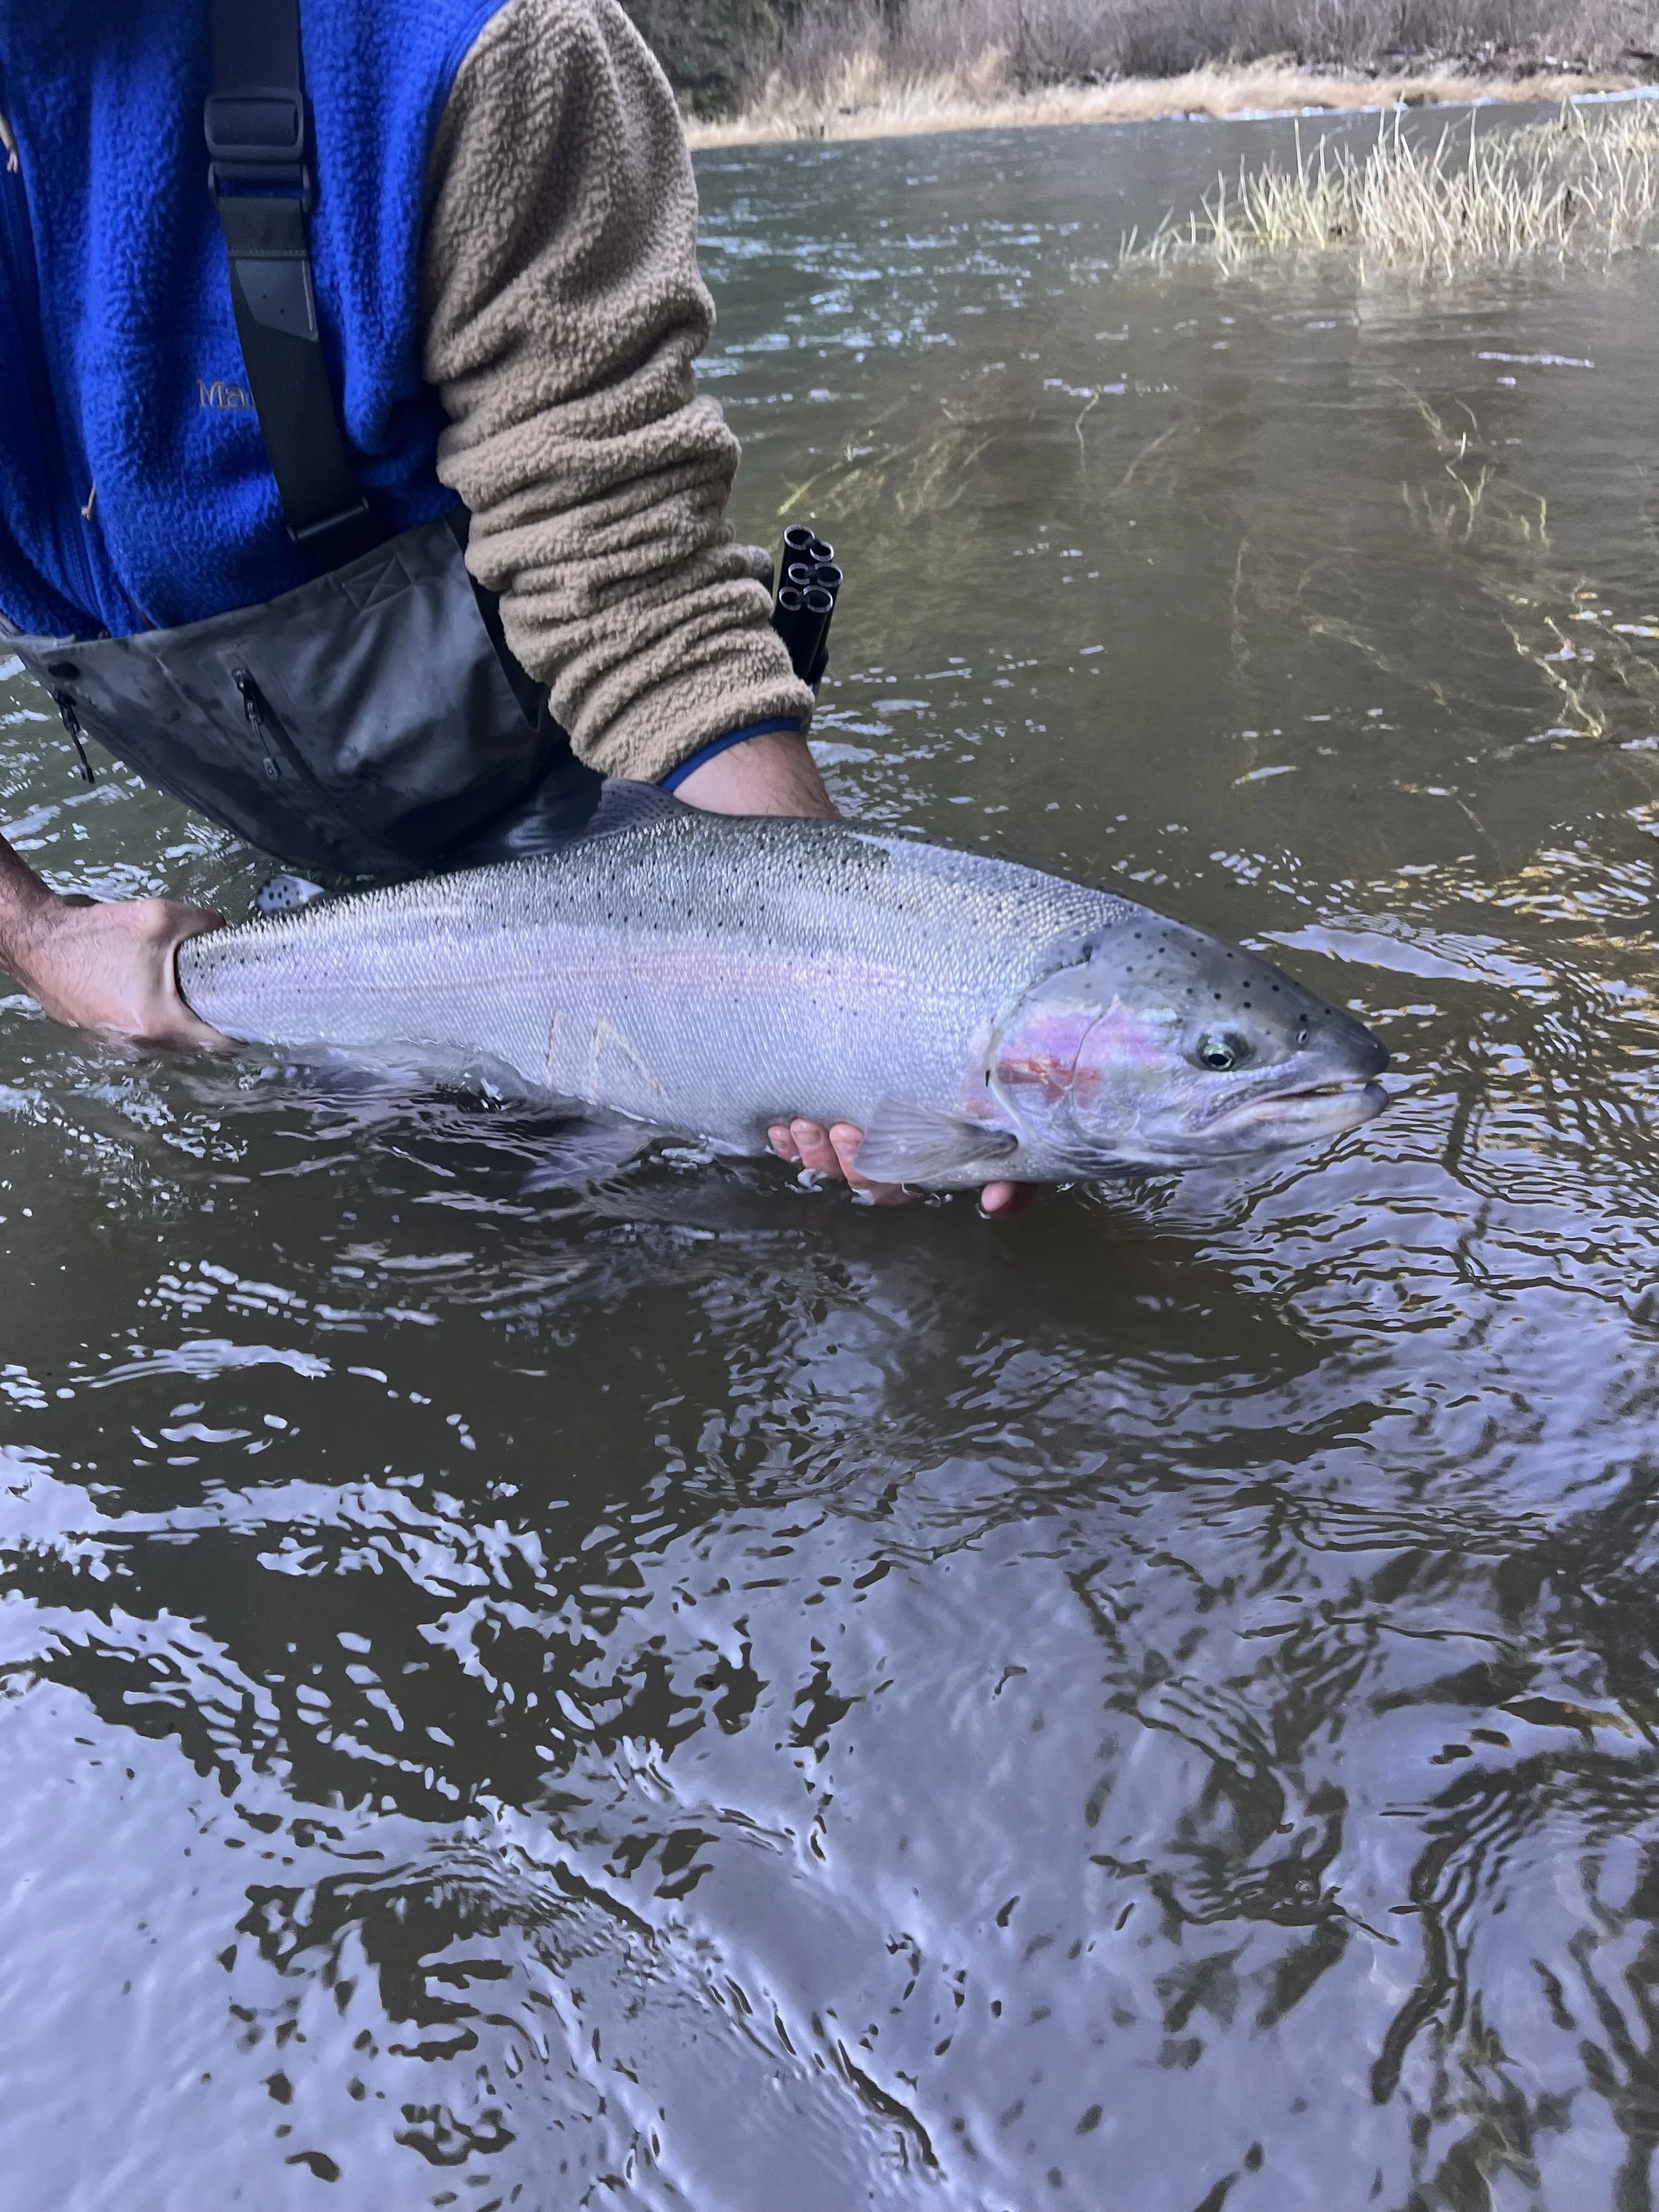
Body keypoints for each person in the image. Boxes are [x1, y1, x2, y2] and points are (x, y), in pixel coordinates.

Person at [0, 0, 1026, 1212]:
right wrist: (39, 934)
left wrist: (840, 988)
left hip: (597, 788)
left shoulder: (478, 52)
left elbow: (634, 585)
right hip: (303, 856)